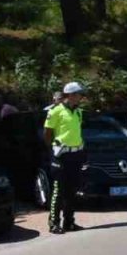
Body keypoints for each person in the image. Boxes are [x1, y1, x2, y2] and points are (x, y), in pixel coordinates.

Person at [43, 82, 86, 234]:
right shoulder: (56, 111)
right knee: (58, 190)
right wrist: (53, 151)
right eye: (79, 94)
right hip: (60, 155)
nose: (81, 97)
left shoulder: (79, 112)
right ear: (71, 95)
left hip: (75, 154)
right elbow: (47, 133)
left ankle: (69, 222)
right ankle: (54, 223)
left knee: (72, 190)